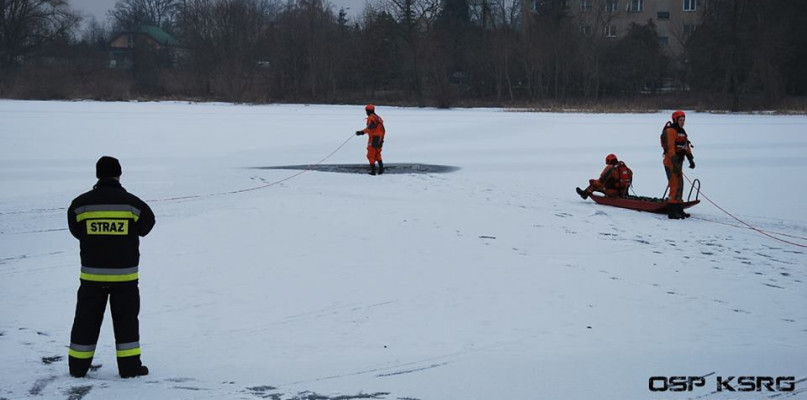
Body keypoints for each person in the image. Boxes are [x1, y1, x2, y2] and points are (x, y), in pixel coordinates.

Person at [67, 156, 155, 378]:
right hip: (124, 280)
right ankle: (129, 368)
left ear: (98, 175)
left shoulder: (81, 204)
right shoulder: (132, 204)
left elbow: (76, 231)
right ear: (119, 174)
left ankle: (78, 368)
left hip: (91, 278)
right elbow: (147, 225)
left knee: (85, 322)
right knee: (126, 324)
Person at [661, 110, 695, 219]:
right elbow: (670, 148)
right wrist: (674, 162)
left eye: (684, 120)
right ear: (675, 120)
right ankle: (672, 211)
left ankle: (679, 209)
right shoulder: (671, 131)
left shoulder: (682, 131)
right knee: (674, 185)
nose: (682, 122)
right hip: (671, 162)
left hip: (678, 162)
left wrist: (690, 159)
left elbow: (686, 146)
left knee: (680, 185)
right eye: (680, 120)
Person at [355, 104, 386, 175]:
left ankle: (373, 171)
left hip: (374, 138)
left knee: (370, 154)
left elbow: (370, 128)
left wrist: (362, 132)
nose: (366, 112)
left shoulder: (371, 118)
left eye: (366, 111)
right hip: (380, 137)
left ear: (368, 111)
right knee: (377, 153)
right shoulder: (378, 117)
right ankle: (381, 169)